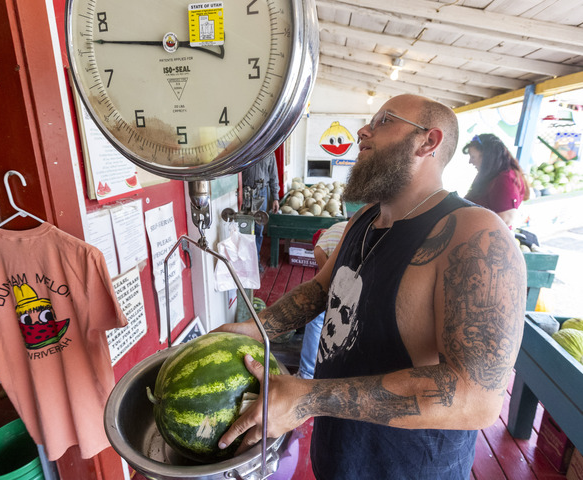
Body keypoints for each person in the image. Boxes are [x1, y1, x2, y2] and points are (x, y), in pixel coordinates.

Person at [216, 94, 526, 479]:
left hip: (409, 469)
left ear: (428, 142)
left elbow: (476, 396)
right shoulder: (364, 218)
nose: (363, 130)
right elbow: (319, 290)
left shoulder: (475, 233)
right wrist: (254, 328)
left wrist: (309, 397)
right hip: (338, 456)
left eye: (383, 121)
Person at [296, 221, 347, 380]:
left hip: (346, 271)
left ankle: (307, 373)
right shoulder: (341, 228)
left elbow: (325, 278)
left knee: (316, 318)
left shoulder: (321, 245)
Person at [463, 133, 530, 229]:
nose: (470, 161)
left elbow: (506, 219)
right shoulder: (491, 175)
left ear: (487, 157)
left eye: (473, 157)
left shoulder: (505, 179)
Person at [241, 151, 280, 270]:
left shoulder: (269, 152)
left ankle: (255, 261)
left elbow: (274, 176)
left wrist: (275, 198)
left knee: (258, 229)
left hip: (261, 193)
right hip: (245, 193)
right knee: (244, 228)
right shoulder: (245, 150)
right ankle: (244, 261)